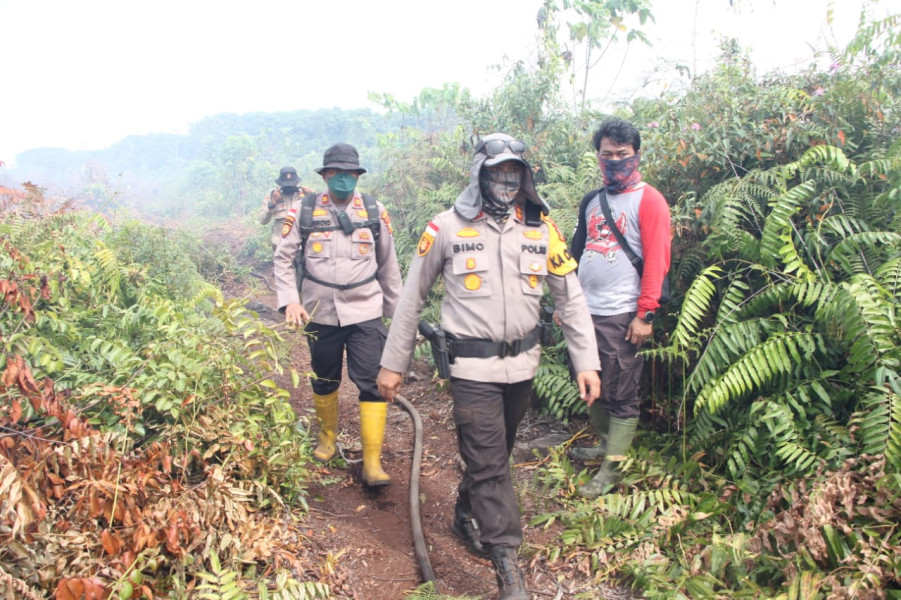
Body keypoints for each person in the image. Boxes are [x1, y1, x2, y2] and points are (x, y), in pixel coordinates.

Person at [377, 133, 601, 600]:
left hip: (523, 368)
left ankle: (464, 513)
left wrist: (587, 362)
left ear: (524, 177)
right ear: (479, 175)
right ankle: (508, 571)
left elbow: (571, 297)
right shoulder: (445, 228)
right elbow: (411, 299)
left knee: (490, 459)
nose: (505, 181)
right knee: (492, 465)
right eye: (496, 173)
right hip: (471, 372)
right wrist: (393, 364)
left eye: (513, 173)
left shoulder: (542, 229)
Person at [273, 143, 402, 487]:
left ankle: (372, 462)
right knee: (324, 377)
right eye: (337, 173)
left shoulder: (375, 211)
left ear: (357, 176)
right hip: (320, 311)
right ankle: (327, 438)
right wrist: (290, 301)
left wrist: (397, 314)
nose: (343, 179)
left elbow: (389, 264)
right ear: (326, 175)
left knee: (372, 382)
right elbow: (283, 258)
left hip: (366, 310)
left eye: (350, 174)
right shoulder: (304, 211)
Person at [568, 118, 671, 499]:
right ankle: (604, 444)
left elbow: (658, 259)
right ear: (598, 156)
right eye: (607, 154)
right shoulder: (592, 201)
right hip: (586, 311)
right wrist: (568, 301)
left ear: (636, 155)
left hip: (622, 312)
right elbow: (576, 254)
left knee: (622, 388)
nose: (614, 161)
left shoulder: (650, 200)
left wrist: (645, 315)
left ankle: (612, 470)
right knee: (589, 379)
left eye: (622, 155)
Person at [259, 166, 314, 251]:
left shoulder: (305, 193)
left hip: (302, 247)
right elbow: (263, 221)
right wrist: (272, 203)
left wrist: (313, 197)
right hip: (280, 247)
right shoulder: (273, 195)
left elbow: (321, 216)